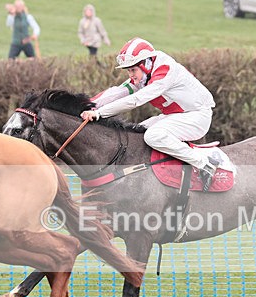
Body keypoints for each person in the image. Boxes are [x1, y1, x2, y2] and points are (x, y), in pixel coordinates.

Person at [80, 37, 219, 191]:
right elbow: (118, 92)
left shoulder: (165, 70)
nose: (130, 75)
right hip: (177, 115)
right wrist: (85, 105)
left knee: (152, 136)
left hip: (197, 116)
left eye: (133, 70)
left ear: (146, 64)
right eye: (128, 71)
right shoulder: (146, 72)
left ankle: (204, 164)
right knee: (135, 133)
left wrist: (99, 113)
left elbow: (135, 101)